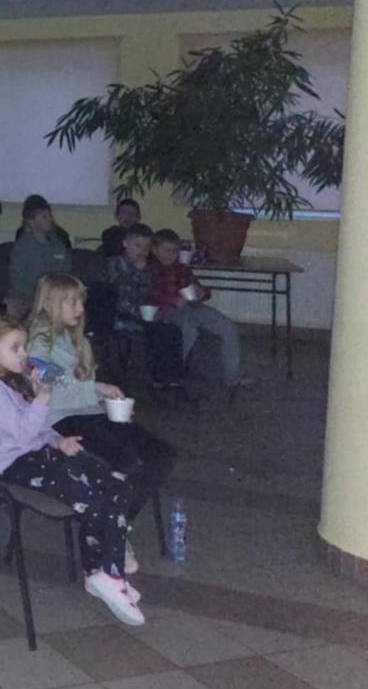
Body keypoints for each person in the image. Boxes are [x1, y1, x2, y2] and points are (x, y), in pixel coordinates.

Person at [0, 317, 145, 626]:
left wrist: (58, 440)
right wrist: (43, 397)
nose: (24, 354)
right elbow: (23, 431)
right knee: (89, 496)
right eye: (15, 348)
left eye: (23, 347)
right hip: (8, 465)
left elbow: (38, 427)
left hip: (34, 453)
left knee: (115, 482)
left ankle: (98, 571)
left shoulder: (10, 380)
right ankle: (111, 574)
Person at [26, 273, 176, 570]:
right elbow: (51, 382)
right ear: (52, 303)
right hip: (64, 420)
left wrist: (108, 405)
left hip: (90, 414)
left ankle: (116, 524)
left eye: (80, 301)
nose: (80, 308)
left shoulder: (74, 337)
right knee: (127, 459)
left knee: (161, 454)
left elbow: (82, 389)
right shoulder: (39, 341)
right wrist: (97, 388)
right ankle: (112, 531)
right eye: (72, 302)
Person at [149, 229, 252, 391]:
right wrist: (175, 300)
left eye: (174, 251)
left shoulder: (182, 269)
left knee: (228, 328)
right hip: (167, 310)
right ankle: (169, 374)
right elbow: (150, 294)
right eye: (166, 250)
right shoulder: (151, 269)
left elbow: (199, 288)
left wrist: (202, 292)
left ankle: (232, 376)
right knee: (188, 327)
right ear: (155, 250)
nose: (170, 254)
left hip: (193, 307)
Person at [105, 225, 185, 386]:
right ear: (125, 244)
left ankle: (168, 379)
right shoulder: (113, 264)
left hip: (142, 315)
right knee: (156, 333)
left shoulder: (149, 268)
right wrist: (136, 271)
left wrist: (160, 308)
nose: (142, 251)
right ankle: (154, 377)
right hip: (117, 315)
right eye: (138, 246)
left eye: (146, 247)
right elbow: (118, 291)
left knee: (172, 331)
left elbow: (150, 293)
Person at [9, 195, 71, 309]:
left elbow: (65, 272)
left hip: (54, 296)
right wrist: (38, 295)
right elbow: (17, 280)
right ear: (31, 222)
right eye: (44, 217)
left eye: (50, 216)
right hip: (28, 297)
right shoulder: (22, 246)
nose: (49, 220)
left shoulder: (59, 244)